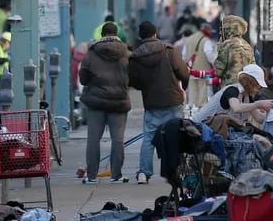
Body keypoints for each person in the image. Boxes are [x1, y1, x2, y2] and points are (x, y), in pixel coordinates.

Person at [129, 21, 190, 184]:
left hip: (152, 103)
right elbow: (183, 72)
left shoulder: (135, 57)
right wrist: (184, 86)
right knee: (175, 136)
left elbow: (133, 81)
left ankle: (144, 173)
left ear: (141, 37)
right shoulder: (168, 50)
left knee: (149, 138)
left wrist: (145, 87)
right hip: (173, 100)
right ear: (155, 34)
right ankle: (176, 171)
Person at [79, 23, 131, 184]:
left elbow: (83, 78)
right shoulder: (126, 53)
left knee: (93, 139)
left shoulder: (92, 53)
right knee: (118, 140)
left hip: (96, 102)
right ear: (117, 34)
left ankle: (91, 176)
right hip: (119, 102)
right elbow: (134, 75)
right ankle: (116, 175)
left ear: (102, 34)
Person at [191, 64, 273, 125]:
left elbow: (259, 118)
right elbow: (236, 108)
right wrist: (258, 104)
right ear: (251, 83)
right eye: (257, 85)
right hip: (199, 127)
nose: (259, 88)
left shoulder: (247, 96)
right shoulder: (232, 90)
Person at [181, 22, 217, 107]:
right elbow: (210, 57)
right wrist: (216, 66)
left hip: (191, 72)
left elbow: (184, 56)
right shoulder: (206, 41)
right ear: (208, 31)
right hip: (204, 73)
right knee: (203, 97)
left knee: (192, 96)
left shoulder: (189, 39)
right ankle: (201, 111)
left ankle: (192, 111)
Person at [214, 15, 255, 85]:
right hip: (245, 86)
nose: (220, 33)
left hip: (229, 86)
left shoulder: (227, 45)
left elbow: (217, 72)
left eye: (222, 29)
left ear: (228, 29)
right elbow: (253, 68)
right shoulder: (248, 46)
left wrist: (219, 48)